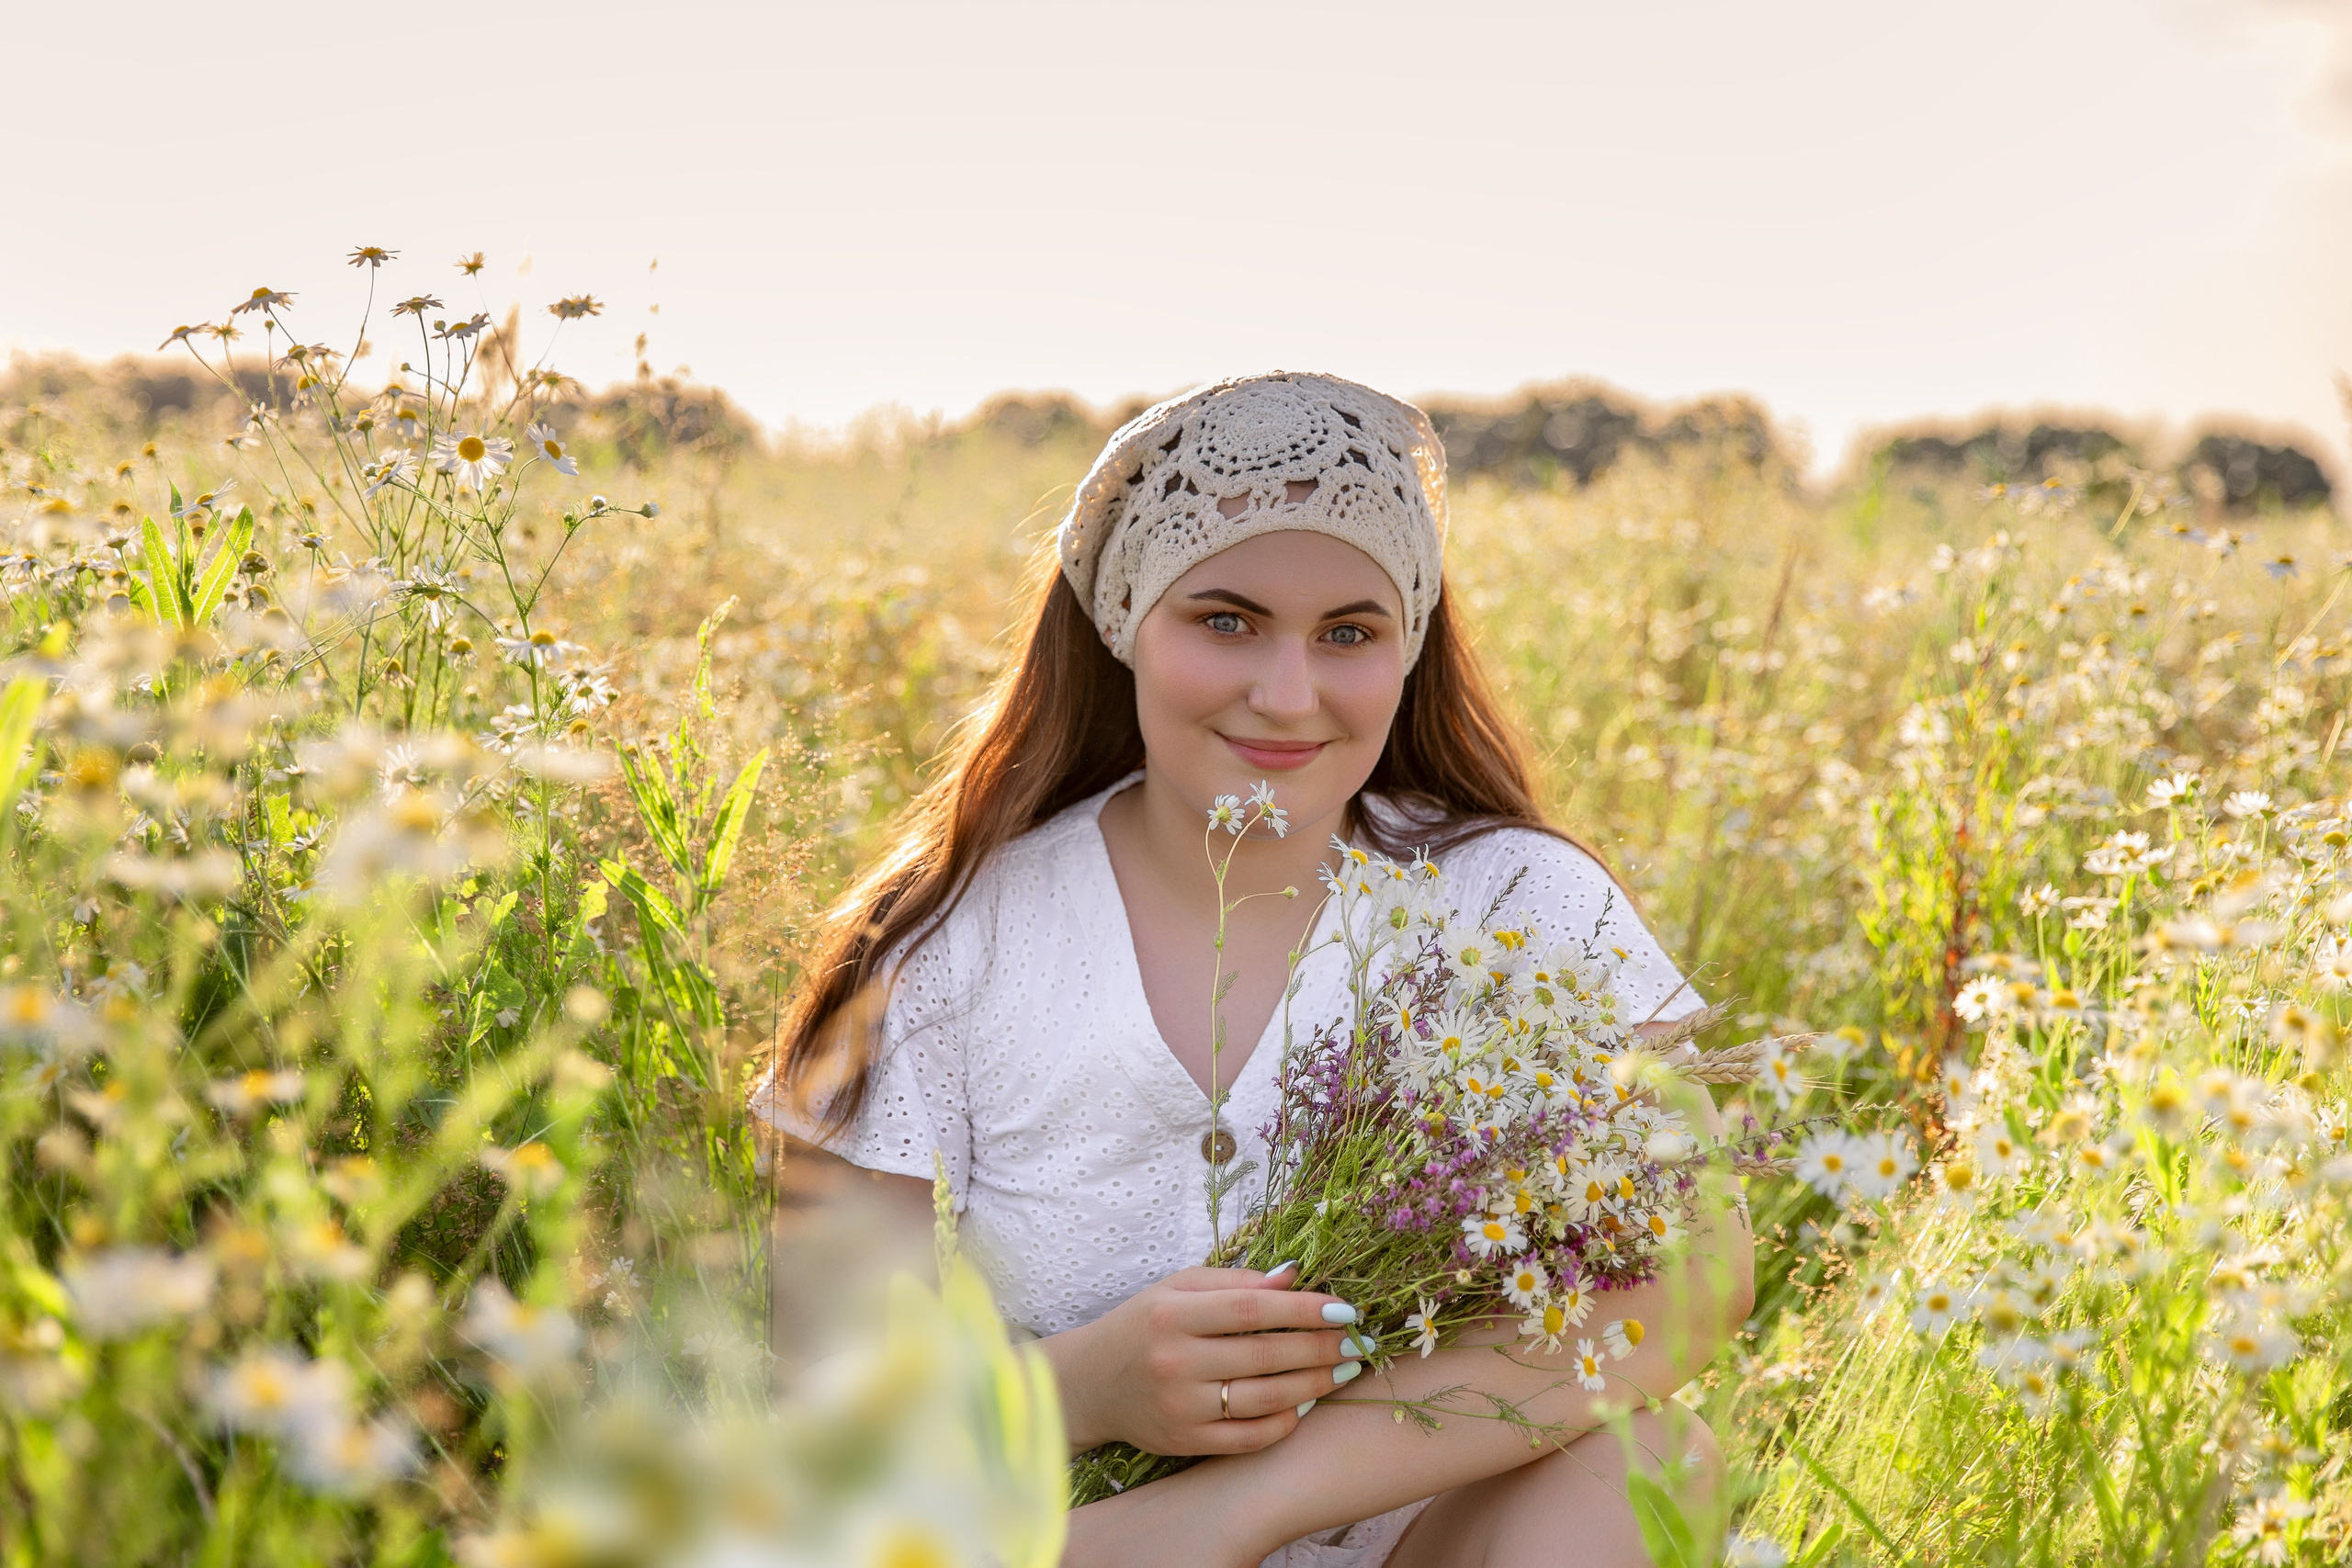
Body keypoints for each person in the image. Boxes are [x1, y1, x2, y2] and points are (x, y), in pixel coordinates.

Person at [755, 373, 1754, 1567]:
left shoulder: (1520, 901)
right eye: (1225, 620)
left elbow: (1690, 1273)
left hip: (1423, 1536)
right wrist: (1088, 1389)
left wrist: (1240, 1504)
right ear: (1127, 623)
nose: (1289, 695)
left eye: (1349, 632)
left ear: (1409, 645)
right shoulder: (939, 945)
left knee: (1650, 1461)